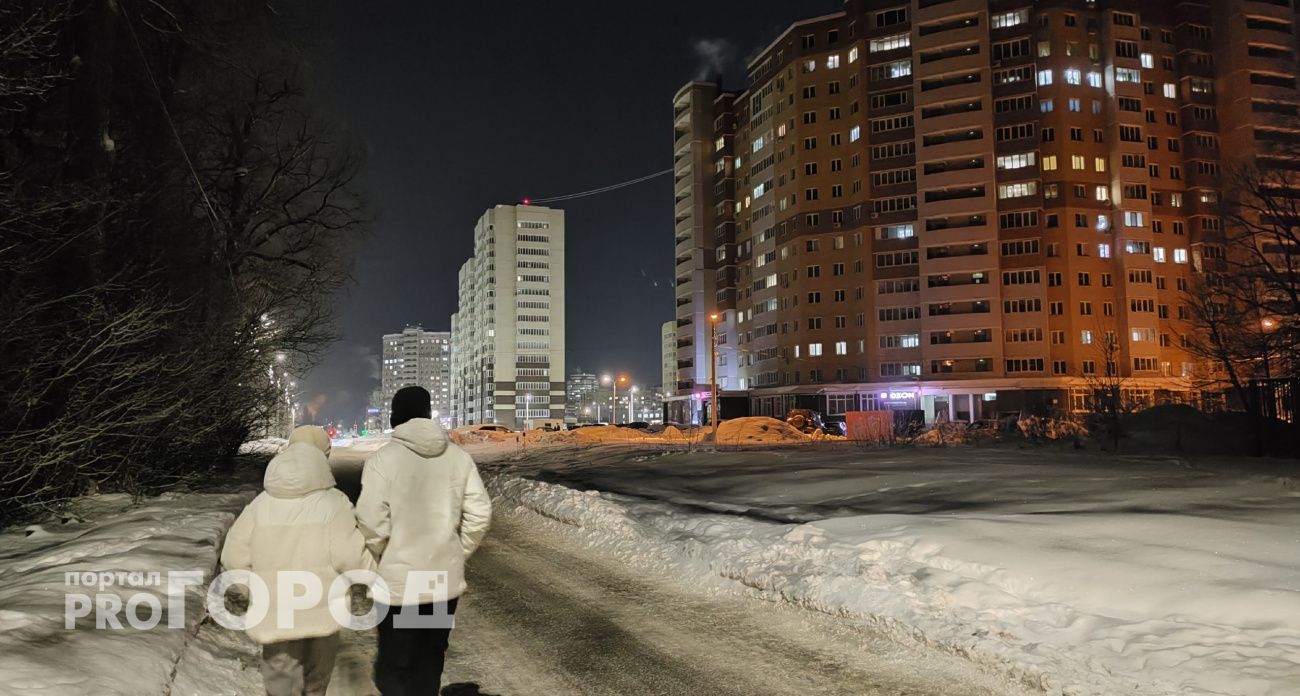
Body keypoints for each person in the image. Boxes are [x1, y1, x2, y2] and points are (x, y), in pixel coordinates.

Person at [356, 386, 492, 695]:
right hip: (441, 581)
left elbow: (369, 518)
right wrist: (458, 550)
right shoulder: (458, 458)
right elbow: (480, 513)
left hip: (400, 582)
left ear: (396, 417)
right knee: (430, 658)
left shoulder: (383, 459)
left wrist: (385, 552)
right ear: (428, 413)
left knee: (395, 662)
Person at [221, 425, 369, 696]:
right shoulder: (334, 503)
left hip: (277, 615)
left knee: (281, 686)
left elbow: (233, 557)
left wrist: (255, 591)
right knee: (315, 686)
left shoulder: (260, 505)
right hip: (323, 613)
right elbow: (352, 557)